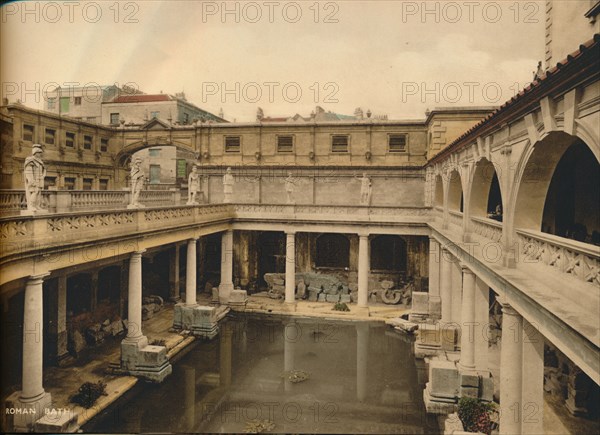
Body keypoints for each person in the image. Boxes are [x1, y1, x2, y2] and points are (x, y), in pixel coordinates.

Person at [23, 144, 47, 212]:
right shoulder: (30, 160)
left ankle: (37, 205)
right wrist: (31, 180)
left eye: (40, 153)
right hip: (33, 180)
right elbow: (28, 172)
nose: (40, 154)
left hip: (40, 179)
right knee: (34, 192)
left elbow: (43, 170)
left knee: (39, 193)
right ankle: (31, 205)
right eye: (39, 153)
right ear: (35, 152)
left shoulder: (40, 162)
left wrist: (43, 176)